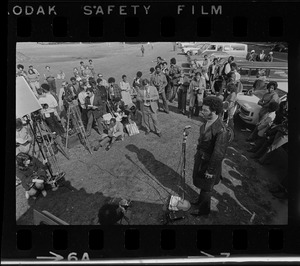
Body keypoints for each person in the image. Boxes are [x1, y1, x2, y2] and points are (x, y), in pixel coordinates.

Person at [191, 96, 228, 216]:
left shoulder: (221, 130)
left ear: (215, 111)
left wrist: (210, 171)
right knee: (202, 184)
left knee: (207, 188)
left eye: (205, 110)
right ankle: (199, 202)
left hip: (209, 164)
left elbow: (219, 153)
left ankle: (204, 211)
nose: (202, 111)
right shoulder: (207, 121)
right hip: (202, 159)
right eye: (203, 109)